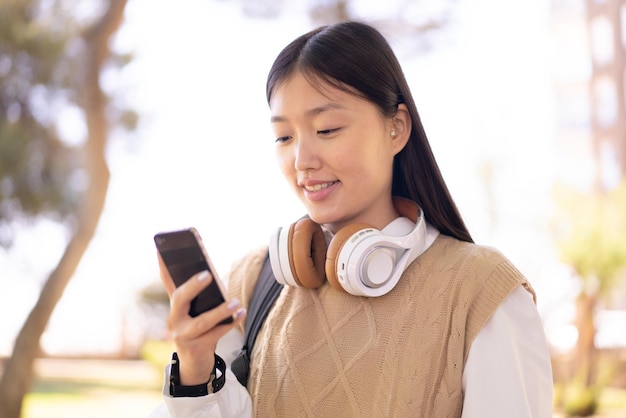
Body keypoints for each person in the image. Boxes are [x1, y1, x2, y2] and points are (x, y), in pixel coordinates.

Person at [150, 21, 553, 418]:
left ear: (396, 129)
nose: (302, 161)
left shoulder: (483, 294)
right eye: (284, 137)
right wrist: (196, 366)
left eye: (327, 129)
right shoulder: (254, 280)